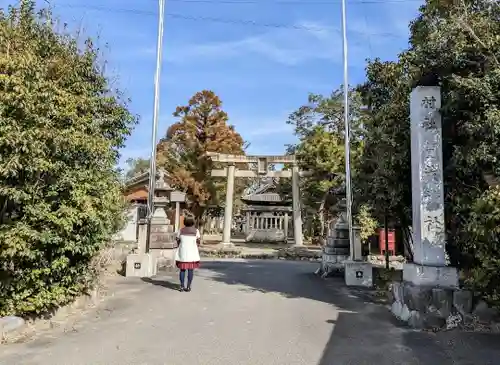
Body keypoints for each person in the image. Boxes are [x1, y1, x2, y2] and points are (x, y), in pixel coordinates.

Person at [174, 216, 201, 292]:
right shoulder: (196, 231)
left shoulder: (181, 230)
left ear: (184, 222)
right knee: (190, 270)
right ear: (193, 222)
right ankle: (188, 286)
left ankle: (182, 286)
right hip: (192, 254)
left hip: (183, 253)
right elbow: (198, 241)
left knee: (182, 270)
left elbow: (177, 240)